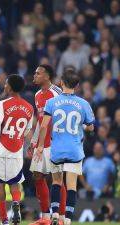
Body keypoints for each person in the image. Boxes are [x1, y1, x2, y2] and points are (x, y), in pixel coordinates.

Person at [35, 69, 95, 225]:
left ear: (61, 82)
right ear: (77, 85)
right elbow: (91, 127)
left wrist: (41, 146)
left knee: (56, 181)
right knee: (71, 184)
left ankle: (55, 215)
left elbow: (43, 126)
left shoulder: (52, 102)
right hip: (75, 148)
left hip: (57, 148)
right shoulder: (83, 104)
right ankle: (67, 219)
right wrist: (83, 125)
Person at [0, 74, 34, 225]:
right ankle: (15, 203)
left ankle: (4, 220)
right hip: (16, 150)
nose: (4, 86)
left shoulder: (1, 104)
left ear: (11, 87)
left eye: (6, 84)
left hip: (0, 148)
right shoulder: (29, 107)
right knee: (15, 183)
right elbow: (27, 132)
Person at [28, 64, 65, 225]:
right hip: (42, 143)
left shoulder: (57, 93)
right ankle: (45, 217)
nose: (34, 75)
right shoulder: (37, 95)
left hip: (56, 142)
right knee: (37, 176)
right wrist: (34, 141)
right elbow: (40, 120)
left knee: (57, 179)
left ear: (47, 76)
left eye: (38, 73)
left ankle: (62, 218)